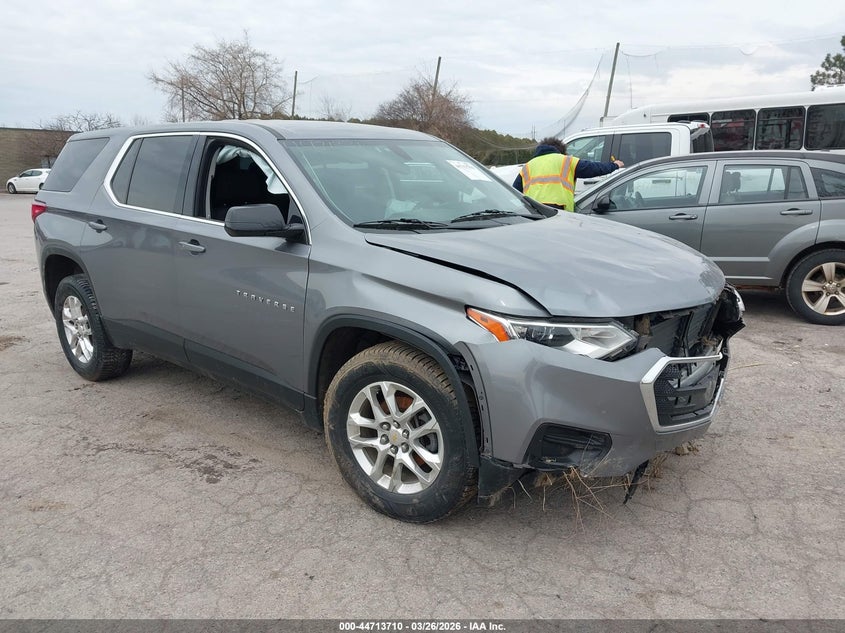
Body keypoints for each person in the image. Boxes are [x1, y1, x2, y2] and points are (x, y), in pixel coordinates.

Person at [512, 137, 624, 211]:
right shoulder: (566, 160)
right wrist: (615, 165)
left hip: (534, 211)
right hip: (558, 210)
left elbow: (513, 191)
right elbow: (593, 168)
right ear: (560, 150)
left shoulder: (528, 166)